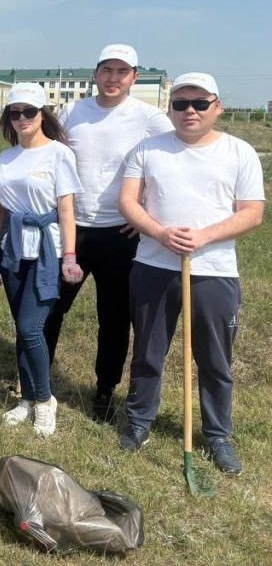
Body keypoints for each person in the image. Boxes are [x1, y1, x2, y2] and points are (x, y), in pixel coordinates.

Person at [117, 73, 264, 475]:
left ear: (217, 106)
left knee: (215, 358)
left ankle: (217, 434)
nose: (190, 111)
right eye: (181, 104)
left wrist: (203, 236)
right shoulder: (147, 150)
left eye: (200, 103)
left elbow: (252, 212)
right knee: (148, 349)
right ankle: (139, 421)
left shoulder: (240, 152)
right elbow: (128, 200)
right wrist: (161, 233)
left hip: (214, 271)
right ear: (170, 108)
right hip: (153, 265)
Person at [42, 44, 174, 423]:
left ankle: (104, 390)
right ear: (95, 73)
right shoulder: (73, 111)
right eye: (107, 70)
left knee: (114, 317)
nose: (113, 78)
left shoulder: (150, 118)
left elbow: (166, 164)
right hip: (73, 229)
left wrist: (146, 210)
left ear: (134, 76)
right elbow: (53, 156)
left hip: (121, 233)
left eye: (122, 71)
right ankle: (38, 379)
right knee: (51, 306)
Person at [0, 83, 84, 437]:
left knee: (31, 328)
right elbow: (0, 210)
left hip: (47, 250)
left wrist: (69, 256)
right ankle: (26, 397)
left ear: (43, 114)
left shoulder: (59, 154)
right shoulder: (6, 157)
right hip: (14, 250)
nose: (22, 118)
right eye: (15, 113)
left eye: (29, 111)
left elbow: (67, 209)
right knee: (21, 330)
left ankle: (45, 400)